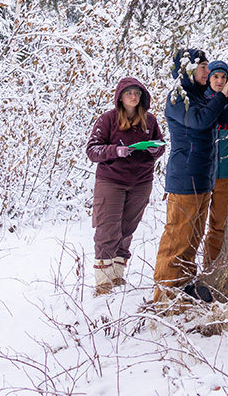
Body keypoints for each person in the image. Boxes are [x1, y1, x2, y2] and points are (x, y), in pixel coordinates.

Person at [153, 49, 228, 303]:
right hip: (185, 179)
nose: (207, 72)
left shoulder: (199, 97)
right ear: (187, 70)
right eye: (203, 68)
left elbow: (221, 117)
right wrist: (221, 96)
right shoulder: (179, 98)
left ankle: (185, 287)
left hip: (202, 180)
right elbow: (200, 121)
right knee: (177, 238)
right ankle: (165, 295)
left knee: (192, 239)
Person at [85, 77, 165, 296]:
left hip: (141, 182)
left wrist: (153, 150)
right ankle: (103, 284)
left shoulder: (150, 121)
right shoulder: (108, 120)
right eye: (129, 93)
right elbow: (92, 150)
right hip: (111, 181)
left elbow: (161, 146)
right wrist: (115, 151)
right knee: (107, 229)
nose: (133, 97)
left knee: (127, 229)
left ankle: (118, 278)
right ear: (120, 97)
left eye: (137, 94)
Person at [202, 60, 228, 266]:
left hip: (225, 173)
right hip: (203, 172)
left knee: (219, 224)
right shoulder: (201, 100)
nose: (220, 81)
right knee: (193, 224)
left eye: (223, 77)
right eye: (215, 76)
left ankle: (212, 265)